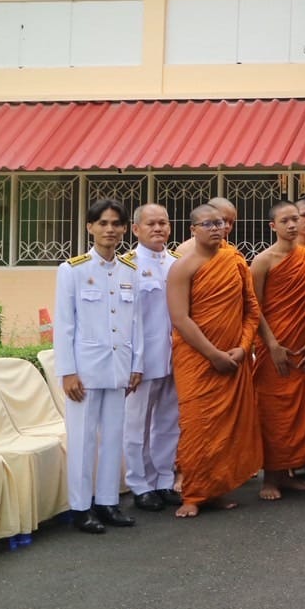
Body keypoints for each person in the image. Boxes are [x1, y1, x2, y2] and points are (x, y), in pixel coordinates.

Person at [167, 204, 263, 518]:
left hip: (233, 357)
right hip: (197, 359)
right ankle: (193, 494)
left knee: (225, 428)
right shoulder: (182, 267)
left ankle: (217, 489)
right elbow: (180, 319)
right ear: (193, 230)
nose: (216, 229)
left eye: (220, 223)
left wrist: (243, 347)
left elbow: (251, 310)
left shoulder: (235, 262)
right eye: (208, 224)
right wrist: (213, 354)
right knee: (197, 425)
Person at [56, 198, 142, 533]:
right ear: (90, 227)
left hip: (118, 368)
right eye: (103, 223)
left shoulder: (129, 270)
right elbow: (65, 325)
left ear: (125, 229)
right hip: (85, 371)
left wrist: (136, 365)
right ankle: (81, 508)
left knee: (113, 438)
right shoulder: (73, 270)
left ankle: (107, 502)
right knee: (82, 440)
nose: (110, 230)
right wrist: (67, 372)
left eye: (116, 224)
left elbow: (135, 323)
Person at [250, 202, 305, 501]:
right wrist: (271, 345)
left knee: (301, 410)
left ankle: (289, 473)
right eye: (286, 221)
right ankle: (270, 476)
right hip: (274, 346)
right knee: (274, 411)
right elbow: (254, 307)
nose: (293, 225)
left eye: (296, 219)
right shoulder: (262, 262)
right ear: (273, 226)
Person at [123, 203, 180, 513]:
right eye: (151, 224)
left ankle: (164, 480)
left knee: (169, 423)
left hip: (175, 357)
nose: (159, 228)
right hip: (142, 361)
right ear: (136, 229)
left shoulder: (176, 263)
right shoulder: (127, 266)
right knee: (137, 426)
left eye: (163, 223)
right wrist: (132, 361)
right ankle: (140, 484)